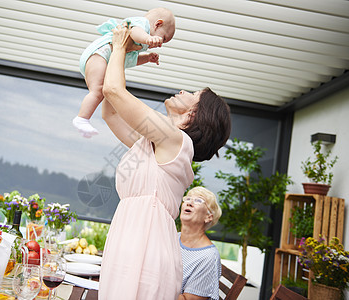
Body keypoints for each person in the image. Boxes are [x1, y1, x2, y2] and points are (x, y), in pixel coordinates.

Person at [98, 23, 231, 300]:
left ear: (196, 114)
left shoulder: (175, 140)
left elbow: (113, 91)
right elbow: (110, 113)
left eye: (193, 95)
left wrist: (121, 46)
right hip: (130, 237)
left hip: (145, 246)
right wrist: (122, 56)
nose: (183, 91)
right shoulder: (157, 141)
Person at [73, 7, 176, 138]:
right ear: (158, 24)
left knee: (102, 91)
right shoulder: (141, 24)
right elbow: (134, 31)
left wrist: (147, 58)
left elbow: (130, 60)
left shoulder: (136, 44)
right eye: (164, 38)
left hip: (101, 59)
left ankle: (83, 118)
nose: (161, 44)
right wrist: (147, 38)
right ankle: (82, 118)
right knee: (97, 91)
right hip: (99, 54)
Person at [178, 187, 223, 300]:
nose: (189, 203)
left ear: (208, 217)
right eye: (187, 199)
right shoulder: (172, 237)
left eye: (198, 200)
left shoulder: (208, 257)